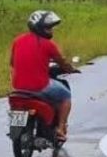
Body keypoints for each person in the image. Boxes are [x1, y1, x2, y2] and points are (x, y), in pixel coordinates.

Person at [10, 11, 78, 141]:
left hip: (17, 87)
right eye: (48, 27)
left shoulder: (17, 41)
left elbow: (13, 63)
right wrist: (70, 69)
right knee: (65, 96)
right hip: (39, 86)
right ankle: (60, 128)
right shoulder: (48, 44)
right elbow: (62, 62)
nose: (50, 30)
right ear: (39, 28)